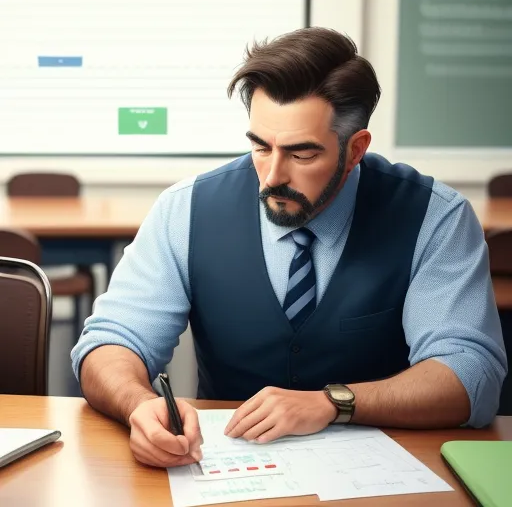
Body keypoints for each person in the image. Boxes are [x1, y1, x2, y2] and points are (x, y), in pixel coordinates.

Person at [71, 27, 507, 469]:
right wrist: (138, 405)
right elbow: (110, 342)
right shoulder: (184, 210)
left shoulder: (436, 217)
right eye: (261, 146)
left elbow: (470, 375)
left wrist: (334, 403)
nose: (272, 176)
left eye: (301, 155)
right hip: (226, 475)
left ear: (355, 149)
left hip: (384, 476)